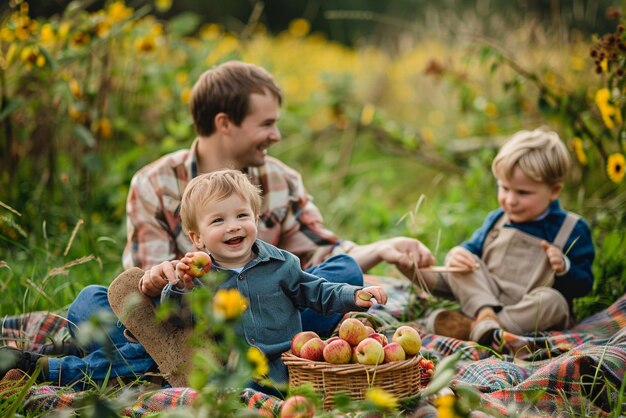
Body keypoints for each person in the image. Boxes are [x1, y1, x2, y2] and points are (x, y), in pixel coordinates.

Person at [0, 61, 434, 386]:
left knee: (346, 271)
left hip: (272, 309)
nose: (277, 136)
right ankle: (160, 361)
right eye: (267, 124)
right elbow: (148, 303)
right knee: (94, 300)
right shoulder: (154, 183)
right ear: (225, 124)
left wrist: (378, 250)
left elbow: (321, 256)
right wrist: (172, 276)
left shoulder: (281, 178)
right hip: (192, 321)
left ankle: (103, 362)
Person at [159, 169, 387, 394]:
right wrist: (182, 286)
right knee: (230, 395)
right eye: (218, 220)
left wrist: (354, 295)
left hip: (289, 367)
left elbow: (317, 291)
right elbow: (178, 319)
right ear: (197, 238)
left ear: (255, 220)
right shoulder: (200, 279)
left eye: (242, 215)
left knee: (319, 387)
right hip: (237, 373)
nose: (233, 226)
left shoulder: (282, 264)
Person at [425, 128, 595, 345]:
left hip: (527, 310)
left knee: (554, 302)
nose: (510, 200)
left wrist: (564, 267)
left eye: (523, 193)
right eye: (504, 188)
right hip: (489, 297)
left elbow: (584, 284)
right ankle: (486, 317)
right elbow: (472, 251)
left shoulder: (572, 228)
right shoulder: (498, 218)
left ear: (554, 190)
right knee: (464, 263)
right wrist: (459, 254)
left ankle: (476, 327)